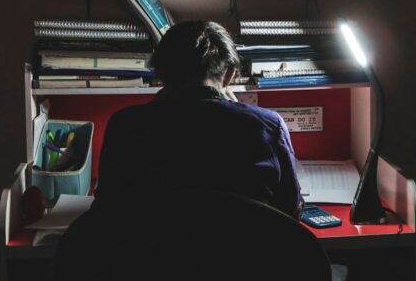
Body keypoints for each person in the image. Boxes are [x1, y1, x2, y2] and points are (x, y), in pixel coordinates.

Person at [93, 20, 304, 219]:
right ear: (229, 75)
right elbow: (290, 210)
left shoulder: (125, 126)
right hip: (243, 255)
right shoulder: (266, 125)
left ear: (161, 75)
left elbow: (107, 206)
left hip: (151, 255)